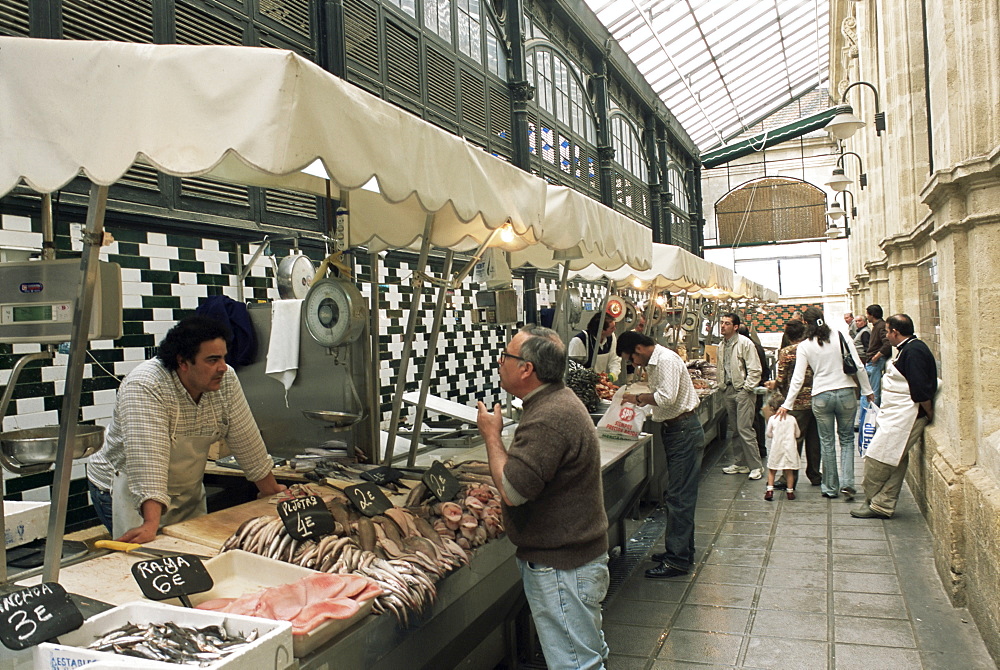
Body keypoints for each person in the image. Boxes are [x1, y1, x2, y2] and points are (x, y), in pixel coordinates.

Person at [477, 325, 610, 669]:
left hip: (562, 568)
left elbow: (512, 491)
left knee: (575, 664)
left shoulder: (549, 416)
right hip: (572, 560)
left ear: (526, 369)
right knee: (586, 655)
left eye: (506, 356)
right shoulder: (554, 402)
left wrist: (492, 435)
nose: (499, 361)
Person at [87, 315, 286, 543]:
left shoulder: (226, 379)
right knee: (145, 559)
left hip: (185, 492)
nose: (222, 367)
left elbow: (246, 438)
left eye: (223, 357)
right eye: (212, 360)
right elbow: (148, 460)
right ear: (183, 362)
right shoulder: (145, 386)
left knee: (194, 550)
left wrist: (270, 490)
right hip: (129, 489)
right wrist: (151, 524)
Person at [617, 331, 704, 579]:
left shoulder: (664, 360)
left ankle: (677, 560)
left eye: (631, 358)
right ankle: (681, 551)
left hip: (683, 431)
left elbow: (666, 399)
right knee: (678, 495)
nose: (634, 364)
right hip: (677, 430)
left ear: (639, 349)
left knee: (679, 497)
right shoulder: (657, 362)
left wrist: (638, 398)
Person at [776, 307, 874, 499]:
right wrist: (868, 390)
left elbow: (797, 379)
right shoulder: (840, 336)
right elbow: (859, 365)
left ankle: (830, 487)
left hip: (821, 396)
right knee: (846, 440)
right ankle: (847, 483)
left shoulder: (805, 346)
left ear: (805, 324)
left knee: (827, 441)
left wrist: (787, 404)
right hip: (846, 393)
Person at [852, 314, 937, 519]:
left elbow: (919, 388)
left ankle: (874, 499)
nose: (886, 336)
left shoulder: (914, 351)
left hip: (907, 416)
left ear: (895, 332)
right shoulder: (908, 348)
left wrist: (929, 412)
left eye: (887, 331)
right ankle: (882, 504)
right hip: (898, 414)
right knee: (895, 458)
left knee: (879, 458)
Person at [766, 319, 822, 486]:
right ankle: (814, 475)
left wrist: (773, 384)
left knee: (793, 440)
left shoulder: (787, 352)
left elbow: (781, 379)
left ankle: (789, 478)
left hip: (796, 402)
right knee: (814, 440)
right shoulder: (814, 348)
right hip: (817, 398)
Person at [718, 313, 764, 480]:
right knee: (735, 429)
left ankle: (756, 466)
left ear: (735, 327)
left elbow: (755, 369)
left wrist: (747, 388)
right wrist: (722, 386)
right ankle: (740, 462)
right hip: (728, 389)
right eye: (722, 322)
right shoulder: (721, 345)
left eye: (727, 323)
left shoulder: (745, 343)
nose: (723, 326)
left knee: (745, 429)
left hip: (743, 391)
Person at [764, 392, 800, 501]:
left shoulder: (772, 419)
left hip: (777, 448)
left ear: (771, 408)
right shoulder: (792, 419)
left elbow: (768, 434)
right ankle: (790, 492)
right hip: (790, 448)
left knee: (772, 470)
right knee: (789, 471)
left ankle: (769, 491)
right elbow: (798, 434)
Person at [568, 311, 621, 380]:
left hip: (601, 382)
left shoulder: (611, 337)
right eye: (612, 328)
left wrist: (613, 374)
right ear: (601, 330)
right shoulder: (579, 341)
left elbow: (614, 359)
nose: (614, 329)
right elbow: (572, 369)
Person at [865, 304, 892, 408]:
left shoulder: (881, 326)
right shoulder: (877, 326)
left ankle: (872, 417)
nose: (866, 316)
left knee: (873, 392)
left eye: (868, 314)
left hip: (876, 362)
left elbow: (887, 343)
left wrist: (876, 356)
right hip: (873, 361)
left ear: (872, 315)